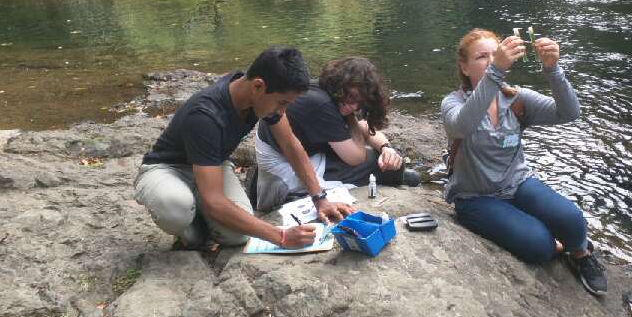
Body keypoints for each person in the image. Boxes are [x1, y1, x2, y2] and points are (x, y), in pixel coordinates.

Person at [134, 47, 353, 251]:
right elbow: (214, 201)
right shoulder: (205, 115)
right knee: (176, 209)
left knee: (236, 237)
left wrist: (320, 199)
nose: (283, 110)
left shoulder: (256, 95)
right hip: (167, 168)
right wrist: (281, 237)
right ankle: (191, 228)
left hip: (212, 165)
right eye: (282, 102)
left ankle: (199, 214)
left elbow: (290, 145)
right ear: (258, 86)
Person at [441, 29, 607, 295]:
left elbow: (569, 113)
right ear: (464, 66)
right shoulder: (452, 103)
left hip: (517, 184)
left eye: (494, 55)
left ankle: (580, 254)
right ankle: (556, 243)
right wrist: (496, 71)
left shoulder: (516, 99)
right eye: (482, 57)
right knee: (538, 245)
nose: (490, 61)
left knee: (573, 218)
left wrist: (553, 69)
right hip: (476, 197)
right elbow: (462, 126)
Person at [253, 56, 420, 209]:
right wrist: (352, 119)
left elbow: (365, 127)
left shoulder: (331, 94)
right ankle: (395, 177)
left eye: (360, 103)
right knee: (381, 165)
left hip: (295, 153)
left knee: (385, 159)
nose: (354, 106)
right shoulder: (321, 104)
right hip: (284, 169)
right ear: (340, 85)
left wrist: (386, 147)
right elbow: (356, 157)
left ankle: (393, 174)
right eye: (352, 99)